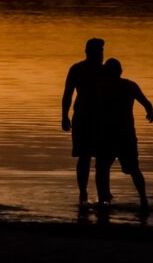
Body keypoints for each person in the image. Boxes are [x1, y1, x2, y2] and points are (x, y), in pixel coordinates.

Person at [95, 57, 153, 210]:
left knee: (102, 168)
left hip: (107, 135)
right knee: (133, 169)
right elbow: (147, 104)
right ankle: (143, 198)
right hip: (126, 134)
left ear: (106, 72)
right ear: (120, 71)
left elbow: (94, 112)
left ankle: (103, 199)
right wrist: (150, 113)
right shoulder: (130, 86)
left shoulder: (101, 87)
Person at [62, 37, 105, 204]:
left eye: (101, 51)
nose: (101, 54)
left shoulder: (105, 71)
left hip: (101, 119)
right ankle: (83, 193)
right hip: (83, 117)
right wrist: (64, 116)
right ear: (89, 52)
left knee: (101, 158)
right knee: (85, 157)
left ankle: (101, 194)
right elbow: (68, 94)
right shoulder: (77, 69)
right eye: (98, 51)